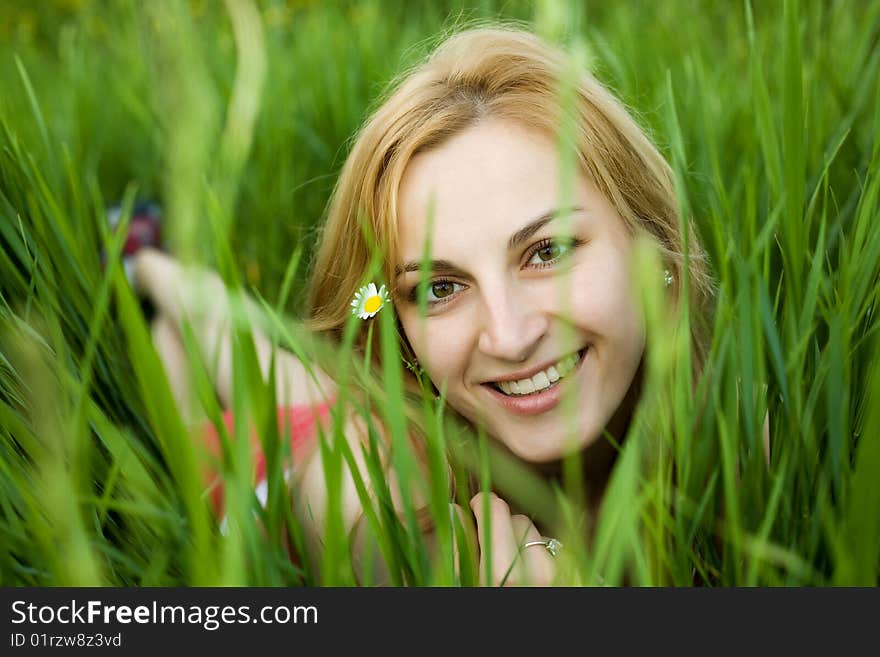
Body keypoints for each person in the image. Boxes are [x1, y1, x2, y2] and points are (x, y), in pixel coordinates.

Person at [130, 24, 715, 585]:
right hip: (300, 466)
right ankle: (146, 267)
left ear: (651, 238)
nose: (509, 337)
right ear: (397, 322)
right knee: (189, 398)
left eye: (548, 250)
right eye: (440, 288)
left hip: (379, 415)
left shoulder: (738, 444)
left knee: (286, 375)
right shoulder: (378, 517)